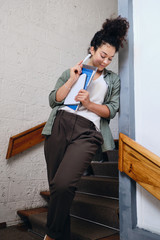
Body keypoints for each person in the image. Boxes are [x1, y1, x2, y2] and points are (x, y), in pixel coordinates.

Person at [42, 16, 129, 240]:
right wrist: (71, 80)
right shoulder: (72, 70)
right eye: (103, 55)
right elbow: (54, 100)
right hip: (59, 126)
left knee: (63, 185)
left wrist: (89, 104)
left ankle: (50, 236)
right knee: (57, 191)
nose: (106, 61)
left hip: (88, 132)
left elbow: (111, 110)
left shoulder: (112, 80)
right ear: (92, 49)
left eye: (110, 58)